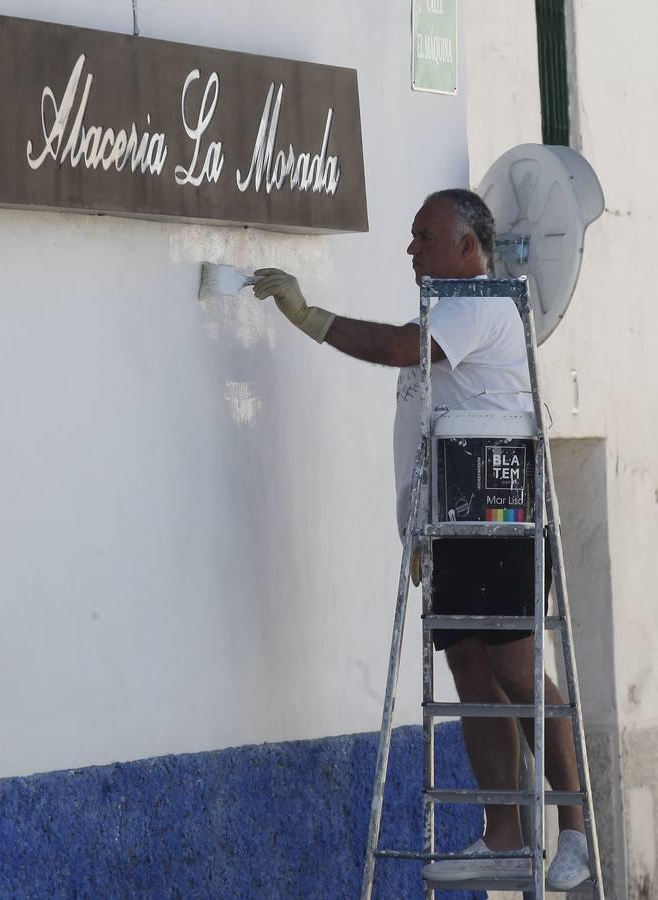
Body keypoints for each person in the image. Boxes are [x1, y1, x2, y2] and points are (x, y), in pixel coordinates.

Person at [253, 189, 591, 891]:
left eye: (424, 237)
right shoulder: (447, 308)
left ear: (469, 247)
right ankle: (503, 834)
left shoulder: (481, 305)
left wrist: (308, 316)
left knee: (520, 671)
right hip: (449, 519)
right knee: (472, 675)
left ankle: (575, 830)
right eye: (411, 237)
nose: (411, 249)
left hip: (500, 507)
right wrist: (416, 528)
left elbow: (396, 348)